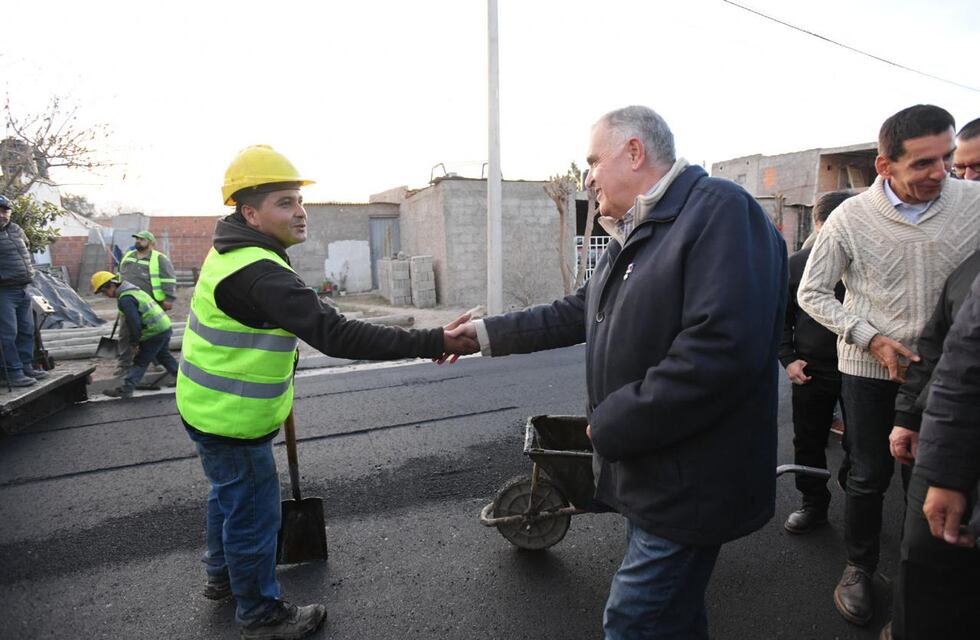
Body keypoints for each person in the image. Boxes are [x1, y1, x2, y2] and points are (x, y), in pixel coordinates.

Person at [448, 106, 788, 639]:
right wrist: (484, 334)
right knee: (672, 616)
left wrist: (612, 424)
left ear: (634, 152)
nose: (586, 177)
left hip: (690, 479)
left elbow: (720, 350)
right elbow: (573, 311)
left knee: (633, 620)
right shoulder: (633, 232)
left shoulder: (720, 211)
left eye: (592, 161)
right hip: (650, 470)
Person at [175, 144, 477, 640]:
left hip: (206, 406)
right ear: (250, 212)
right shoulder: (259, 272)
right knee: (252, 511)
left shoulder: (231, 252)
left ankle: (222, 577)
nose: (300, 212)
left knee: (228, 494)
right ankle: (259, 615)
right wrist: (434, 339)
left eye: (299, 200)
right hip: (231, 417)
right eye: (285, 202)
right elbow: (337, 334)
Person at [797, 104, 980, 626]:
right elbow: (812, 293)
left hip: (946, 375)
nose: (941, 173)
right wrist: (869, 337)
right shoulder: (849, 218)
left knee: (926, 477)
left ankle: (916, 573)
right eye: (923, 163)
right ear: (884, 166)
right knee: (869, 473)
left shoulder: (974, 203)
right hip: (868, 369)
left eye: (947, 158)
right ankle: (858, 567)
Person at [900, 271, 980, 639]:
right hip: (948, 446)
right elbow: (955, 360)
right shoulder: (968, 271)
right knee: (927, 564)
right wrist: (908, 417)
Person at [780, 190, 852, 534]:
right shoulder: (797, 264)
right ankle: (813, 504)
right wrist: (789, 359)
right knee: (808, 440)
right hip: (811, 368)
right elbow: (781, 318)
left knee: (863, 442)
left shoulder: (867, 259)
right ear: (819, 224)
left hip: (862, 368)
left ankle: (857, 496)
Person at [90, 271, 179, 399]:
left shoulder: (126, 299)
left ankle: (126, 389)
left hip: (154, 331)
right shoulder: (132, 291)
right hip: (163, 327)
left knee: (140, 361)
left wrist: (134, 343)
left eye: (104, 292)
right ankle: (183, 379)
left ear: (111, 285)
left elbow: (134, 323)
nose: (106, 296)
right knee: (163, 356)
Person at [115, 230, 177, 382]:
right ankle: (124, 365)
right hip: (128, 302)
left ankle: (157, 362)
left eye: (141, 239)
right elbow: (120, 276)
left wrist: (168, 298)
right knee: (125, 334)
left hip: (150, 305)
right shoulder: (128, 256)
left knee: (152, 334)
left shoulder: (159, 259)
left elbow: (169, 280)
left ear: (151, 242)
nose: (138, 241)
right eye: (136, 239)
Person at [0, 193, 48, 387]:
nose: (3, 215)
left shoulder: (16, 230)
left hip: (23, 288)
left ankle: (26, 366)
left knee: (27, 330)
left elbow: (26, 251)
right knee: (7, 333)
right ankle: (12, 372)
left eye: (5, 211)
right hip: (3, 291)